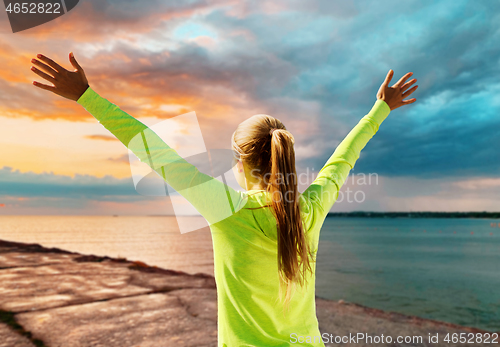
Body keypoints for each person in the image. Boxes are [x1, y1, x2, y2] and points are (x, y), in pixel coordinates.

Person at [30, 52, 418, 347]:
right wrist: (381, 107)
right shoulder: (309, 210)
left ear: (240, 162)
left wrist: (85, 96)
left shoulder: (224, 207)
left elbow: (154, 151)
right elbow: (342, 160)